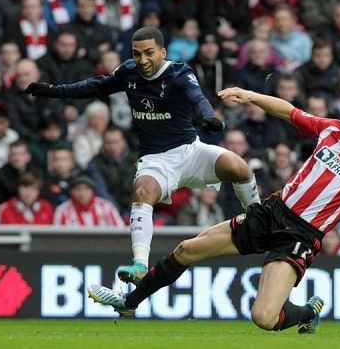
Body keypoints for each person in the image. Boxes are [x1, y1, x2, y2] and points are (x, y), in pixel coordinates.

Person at [88, 86, 340, 335]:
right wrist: (249, 95)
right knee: (187, 250)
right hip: (271, 212)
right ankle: (130, 301)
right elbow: (287, 111)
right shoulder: (330, 131)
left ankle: (307, 312)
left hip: (299, 237)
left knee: (264, 318)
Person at [25, 27, 260, 285]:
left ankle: (258, 221)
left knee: (238, 167)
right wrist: (55, 91)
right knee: (142, 191)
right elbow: (97, 86)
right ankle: (139, 265)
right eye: (137, 54)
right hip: (155, 159)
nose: (143, 60)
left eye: (149, 53)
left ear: (162, 51)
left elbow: (198, 97)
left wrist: (208, 117)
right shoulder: (129, 72)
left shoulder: (179, 73)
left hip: (190, 151)